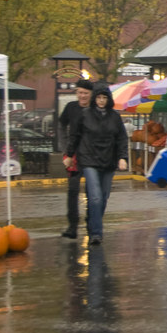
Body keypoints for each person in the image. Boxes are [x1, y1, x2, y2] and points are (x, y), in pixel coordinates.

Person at [65, 83, 128, 245]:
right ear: (95, 99)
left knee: (103, 197)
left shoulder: (115, 117)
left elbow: (121, 139)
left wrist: (123, 158)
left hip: (108, 161)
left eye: (104, 98)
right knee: (94, 197)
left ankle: (93, 224)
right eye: (98, 97)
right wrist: (70, 154)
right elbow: (75, 136)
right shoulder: (85, 115)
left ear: (109, 99)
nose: (101, 101)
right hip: (89, 160)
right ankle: (96, 233)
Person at [58, 78, 93, 239]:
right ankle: (72, 226)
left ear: (91, 94)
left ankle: (91, 224)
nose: (82, 96)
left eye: (85, 93)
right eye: (80, 92)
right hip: (73, 155)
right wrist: (64, 148)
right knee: (72, 190)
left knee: (91, 191)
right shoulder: (71, 107)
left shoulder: (94, 109)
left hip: (92, 156)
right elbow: (61, 125)